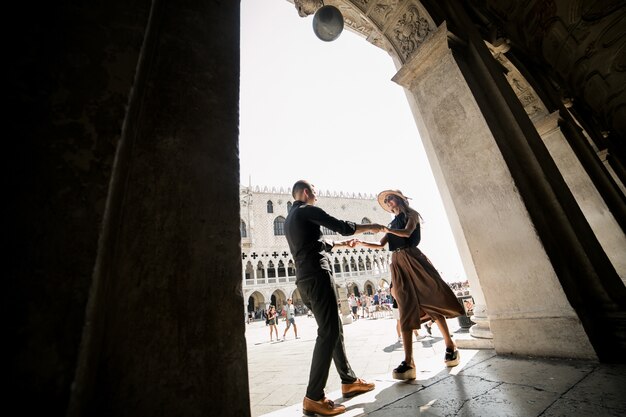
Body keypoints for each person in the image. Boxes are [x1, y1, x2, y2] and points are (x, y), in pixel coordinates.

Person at [285, 180, 382, 416]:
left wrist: (340, 245)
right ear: (306, 193)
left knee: (333, 327)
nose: (316, 197)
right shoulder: (308, 210)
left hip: (304, 279)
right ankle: (313, 396)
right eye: (315, 193)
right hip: (318, 275)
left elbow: (316, 243)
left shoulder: (291, 219)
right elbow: (341, 226)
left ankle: (348, 380)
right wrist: (370, 228)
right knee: (327, 332)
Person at [352, 189, 464, 380]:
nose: (388, 202)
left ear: (400, 199)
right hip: (397, 263)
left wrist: (387, 230)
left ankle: (450, 345)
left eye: (391, 198)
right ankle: (408, 361)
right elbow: (380, 245)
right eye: (386, 200)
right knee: (404, 308)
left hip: (413, 258)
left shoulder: (411, 215)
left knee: (430, 300)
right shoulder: (391, 223)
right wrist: (361, 242)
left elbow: (407, 232)